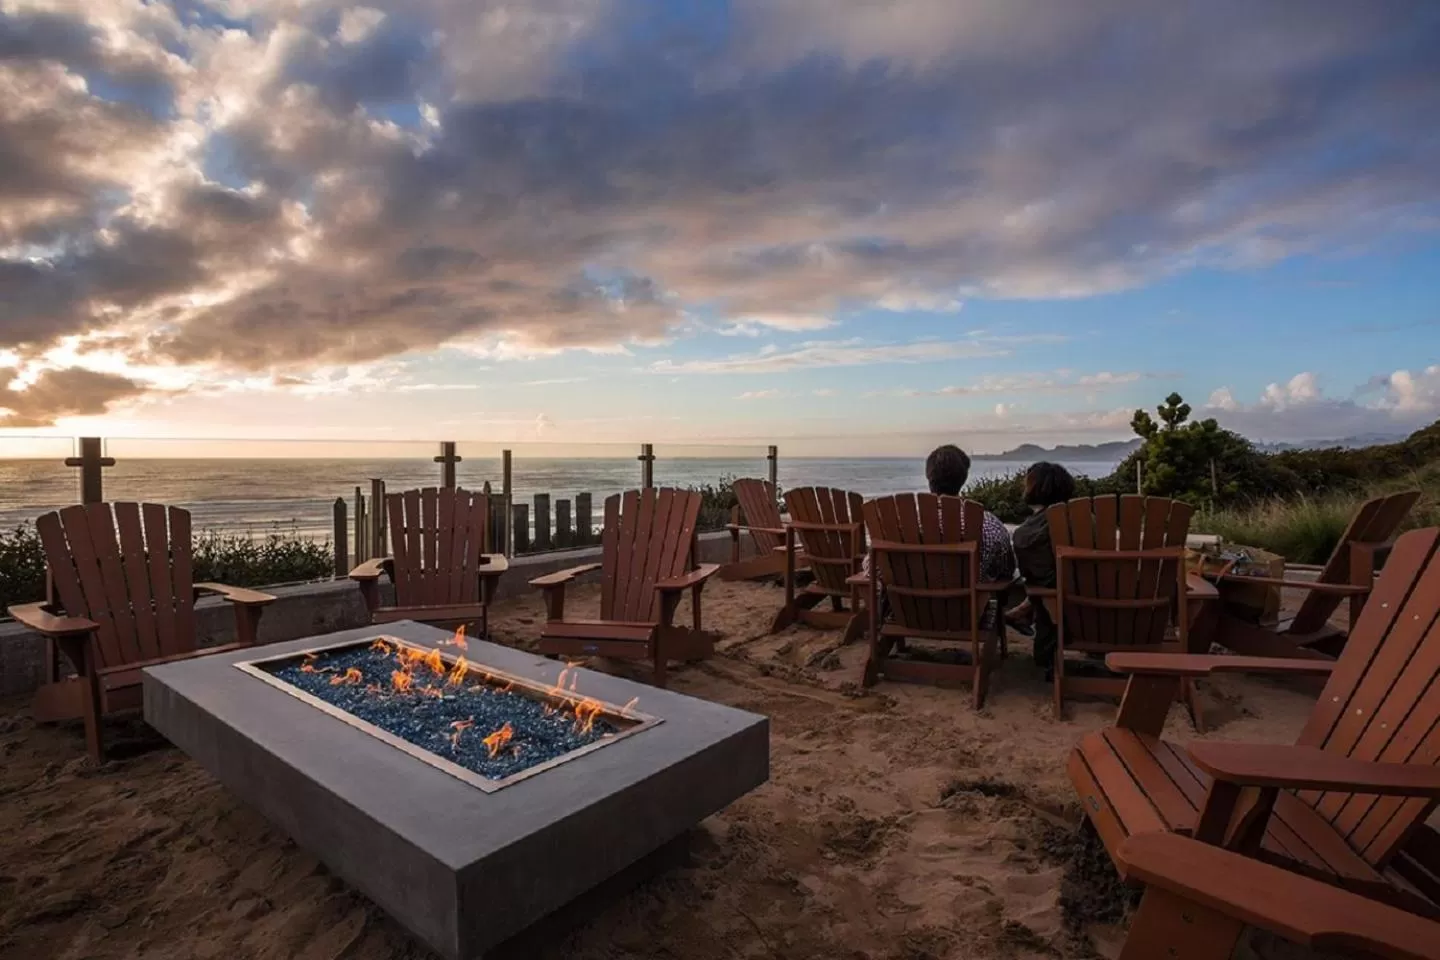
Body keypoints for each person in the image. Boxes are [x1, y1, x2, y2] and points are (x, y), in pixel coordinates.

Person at [863, 444, 1016, 628]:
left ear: (929, 478)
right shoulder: (988, 524)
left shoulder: (901, 526)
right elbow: (1005, 569)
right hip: (966, 616)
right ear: (964, 478)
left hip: (910, 613)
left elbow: (871, 568)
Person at [1007, 461, 1076, 669]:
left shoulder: (1025, 535)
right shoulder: (1088, 521)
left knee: (1044, 589)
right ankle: (1022, 611)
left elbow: (1035, 581)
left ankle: (1023, 612)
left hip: (1058, 620)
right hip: (1105, 614)